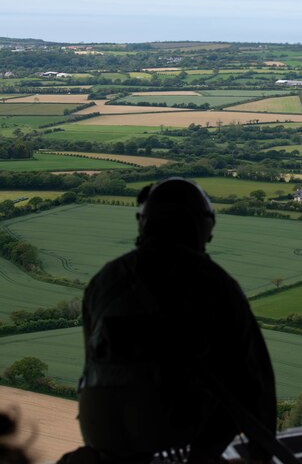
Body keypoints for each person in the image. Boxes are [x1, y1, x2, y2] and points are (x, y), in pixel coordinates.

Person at [77, 178, 277, 463]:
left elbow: (93, 361)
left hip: (98, 425)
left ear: (143, 222)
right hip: (164, 423)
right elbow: (255, 380)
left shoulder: (106, 278)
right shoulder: (213, 281)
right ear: (203, 228)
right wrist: (263, 456)